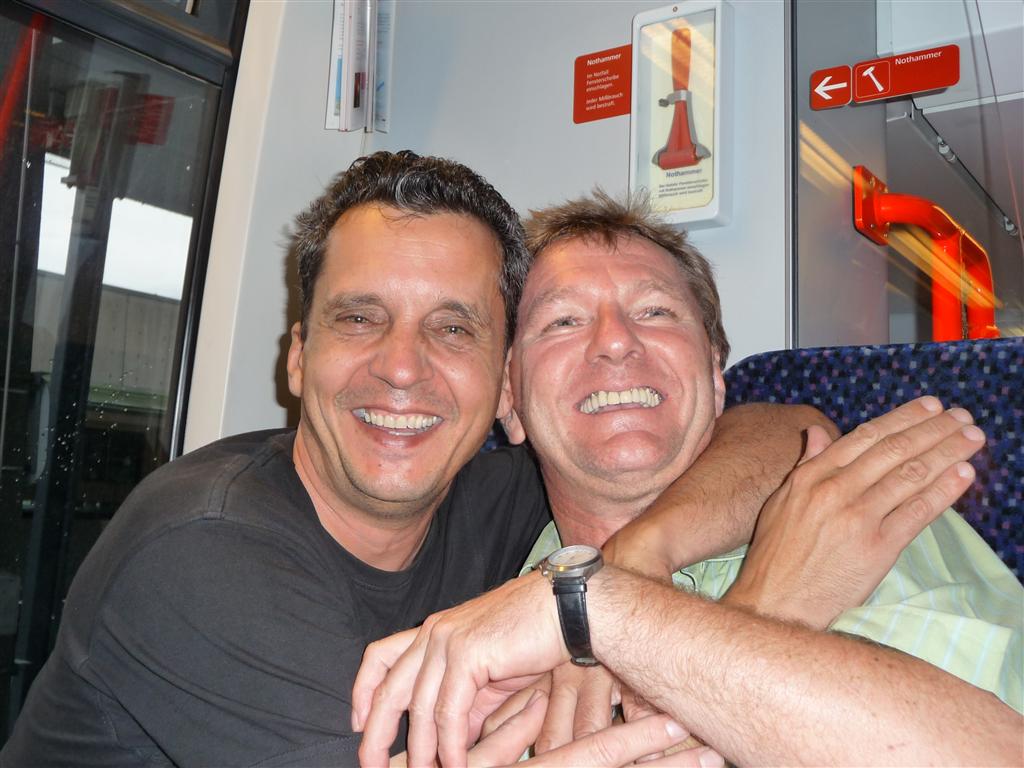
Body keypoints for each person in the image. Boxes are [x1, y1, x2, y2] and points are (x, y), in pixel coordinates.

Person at [2, 154, 828, 766]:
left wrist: (626, 572)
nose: (402, 367)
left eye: (453, 328)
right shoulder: (201, 550)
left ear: (504, 386)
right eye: (360, 319)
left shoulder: (496, 490)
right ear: (298, 357)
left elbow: (783, 432)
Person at [352, 192, 1024, 767]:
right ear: (509, 400)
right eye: (563, 320)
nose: (615, 341)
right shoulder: (489, 589)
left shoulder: (853, 509)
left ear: (715, 376)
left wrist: (599, 608)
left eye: (655, 311)